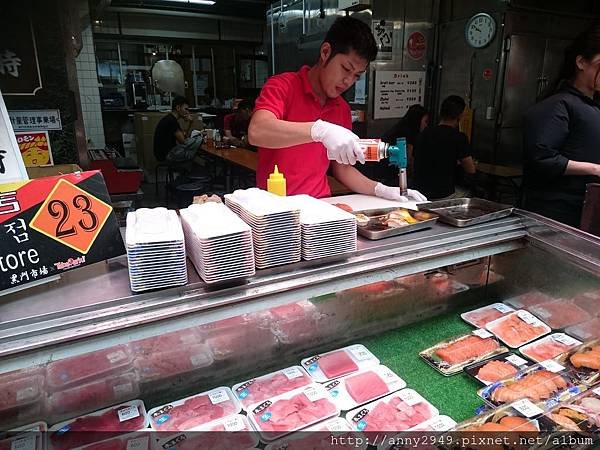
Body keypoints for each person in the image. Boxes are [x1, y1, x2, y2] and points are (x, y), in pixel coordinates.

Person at [248, 16, 426, 202]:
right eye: (345, 69)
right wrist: (319, 130)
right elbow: (257, 130)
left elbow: (342, 168)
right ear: (325, 52)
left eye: (357, 75)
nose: (348, 81)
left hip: (321, 206)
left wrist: (381, 190)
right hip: (276, 209)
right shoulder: (283, 86)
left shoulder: (340, 109)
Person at [523, 23, 600, 227]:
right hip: (555, 217)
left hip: (587, 214)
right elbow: (542, 158)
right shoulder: (559, 104)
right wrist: (595, 169)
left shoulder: (594, 107)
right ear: (581, 62)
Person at [412, 95, 476, 200]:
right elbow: (470, 170)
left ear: (441, 113)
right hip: (443, 194)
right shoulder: (459, 137)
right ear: (460, 116)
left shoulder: (423, 133)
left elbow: (414, 160)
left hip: (418, 191)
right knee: (468, 193)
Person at [380, 104, 429, 184]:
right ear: (417, 120)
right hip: (393, 177)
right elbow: (408, 162)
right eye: (425, 121)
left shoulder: (399, 129)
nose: (426, 125)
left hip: (384, 174)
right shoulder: (406, 135)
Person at [153, 96, 202, 163]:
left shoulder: (170, 118)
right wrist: (190, 123)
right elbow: (184, 141)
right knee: (194, 148)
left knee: (193, 145)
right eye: (186, 109)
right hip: (166, 155)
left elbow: (182, 137)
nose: (188, 112)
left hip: (163, 153)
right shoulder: (172, 121)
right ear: (178, 108)